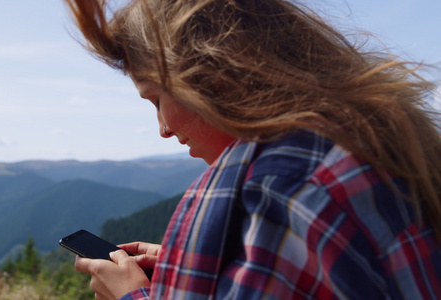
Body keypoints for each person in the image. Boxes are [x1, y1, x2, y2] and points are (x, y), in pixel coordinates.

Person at [63, 0, 441, 299]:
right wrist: (203, 269)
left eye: (157, 99)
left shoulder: (276, 191)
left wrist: (132, 295)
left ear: (212, 76)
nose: (163, 129)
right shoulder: (370, 144)